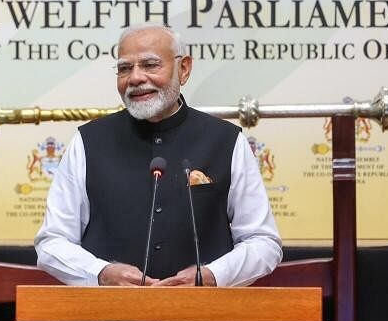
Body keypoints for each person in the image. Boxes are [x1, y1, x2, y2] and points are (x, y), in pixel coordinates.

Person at [34, 23, 282, 287]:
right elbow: (52, 242)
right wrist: (100, 273)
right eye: (125, 68)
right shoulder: (87, 142)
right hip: (107, 318)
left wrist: (213, 276)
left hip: (204, 318)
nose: (135, 78)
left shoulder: (227, 141)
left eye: (150, 65)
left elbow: (263, 242)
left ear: (183, 69)